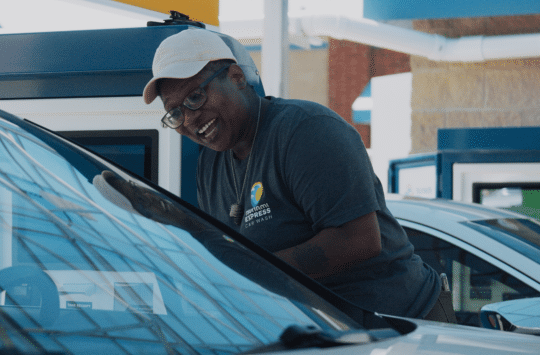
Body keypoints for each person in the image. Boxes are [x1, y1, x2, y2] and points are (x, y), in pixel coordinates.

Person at [141, 28, 454, 328]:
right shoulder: (211, 163)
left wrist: (248, 274)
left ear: (236, 77)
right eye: (176, 113)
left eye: (195, 97)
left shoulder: (306, 131)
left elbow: (358, 240)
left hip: (405, 322)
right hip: (328, 331)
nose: (190, 118)